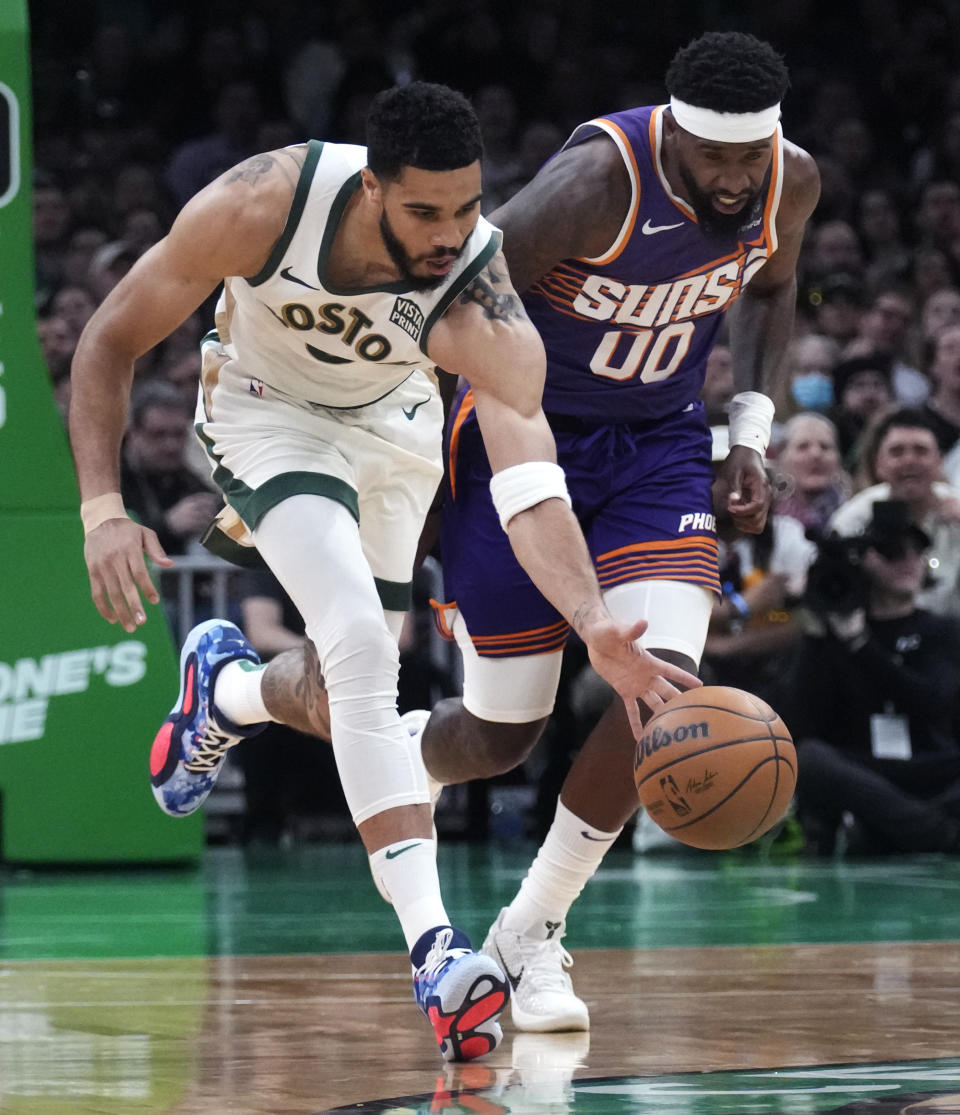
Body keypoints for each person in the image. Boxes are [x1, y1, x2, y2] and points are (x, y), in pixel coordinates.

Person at [68, 81, 697, 1062]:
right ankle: (437, 951)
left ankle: (227, 689)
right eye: (424, 211)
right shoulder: (260, 202)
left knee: (336, 686)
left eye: (467, 207)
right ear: (371, 188)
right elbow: (108, 339)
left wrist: (590, 618)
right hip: (266, 411)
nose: (453, 232)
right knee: (363, 645)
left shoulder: (481, 289)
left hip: (393, 426)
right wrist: (103, 509)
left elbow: (530, 489)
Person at [415, 31, 819, 1033]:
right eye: (714, 159)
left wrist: (751, 435)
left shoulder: (789, 182)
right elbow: (454, 299)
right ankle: (353, 739)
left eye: (748, 159)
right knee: (494, 738)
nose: (734, 180)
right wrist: (406, 465)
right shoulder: (596, 183)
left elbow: (769, 291)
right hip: (527, 433)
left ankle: (532, 926)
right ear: (673, 133)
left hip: (661, 447)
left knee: (663, 680)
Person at [787, 501, 960, 856]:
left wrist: (862, 646)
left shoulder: (940, 630)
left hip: (932, 767)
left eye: (917, 550)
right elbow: (801, 722)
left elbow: (934, 702)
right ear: (865, 560)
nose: (908, 560)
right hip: (866, 769)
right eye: (893, 551)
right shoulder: (834, 634)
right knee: (809, 758)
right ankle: (935, 833)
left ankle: (889, 828)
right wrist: (818, 636)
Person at [829, 407, 960, 617]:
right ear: (879, 465)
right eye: (897, 452)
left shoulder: (957, 510)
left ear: (940, 462)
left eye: (921, 451)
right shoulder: (854, 519)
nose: (909, 460)